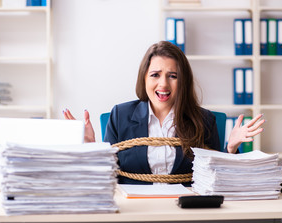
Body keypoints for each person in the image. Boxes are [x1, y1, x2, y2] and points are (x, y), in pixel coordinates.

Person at [64, 41, 265, 184]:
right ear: (144, 78)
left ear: (183, 81)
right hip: (134, 214)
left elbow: (214, 179)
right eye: (155, 75)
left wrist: (230, 150)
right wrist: (91, 151)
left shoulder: (203, 120)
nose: (163, 84)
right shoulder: (120, 116)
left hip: (186, 213)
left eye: (172, 76)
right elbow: (106, 178)